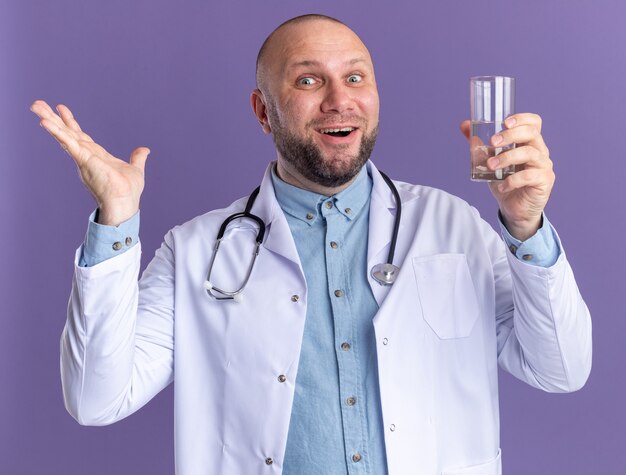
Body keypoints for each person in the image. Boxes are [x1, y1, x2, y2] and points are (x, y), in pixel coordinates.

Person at [31, 13, 591, 475]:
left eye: (355, 78)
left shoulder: (456, 225)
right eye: (307, 80)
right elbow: (95, 399)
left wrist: (526, 228)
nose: (338, 100)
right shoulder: (197, 251)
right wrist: (116, 219)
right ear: (262, 112)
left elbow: (560, 369)